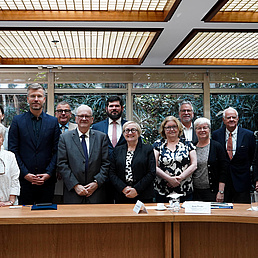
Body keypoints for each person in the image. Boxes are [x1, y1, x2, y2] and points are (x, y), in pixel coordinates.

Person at [8, 83, 60, 205]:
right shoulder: (17, 121)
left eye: (39, 96)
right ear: (27, 99)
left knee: (46, 218)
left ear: (44, 99)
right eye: (32, 96)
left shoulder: (53, 122)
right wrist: (25, 173)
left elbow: (57, 150)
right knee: (24, 218)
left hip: (47, 181)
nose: (36, 99)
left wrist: (48, 173)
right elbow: (13, 150)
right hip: (24, 181)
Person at [57, 105, 109, 204]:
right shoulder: (65, 138)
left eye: (87, 116)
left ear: (92, 119)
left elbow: (106, 163)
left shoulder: (101, 137)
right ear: (76, 119)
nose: (84, 119)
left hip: (96, 194)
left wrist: (96, 183)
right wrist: (75, 185)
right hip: (73, 194)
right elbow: (62, 164)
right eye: (81, 116)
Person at [212, 107, 256, 203]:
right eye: (228, 117)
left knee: (242, 213)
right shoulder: (216, 135)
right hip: (223, 183)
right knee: (223, 213)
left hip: (242, 182)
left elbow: (252, 157)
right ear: (223, 120)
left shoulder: (248, 135)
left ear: (238, 118)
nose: (231, 119)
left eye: (233, 117)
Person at [109, 121, 156, 204]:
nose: (130, 133)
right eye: (127, 130)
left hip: (143, 195)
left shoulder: (147, 149)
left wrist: (136, 190)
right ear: (123, 133)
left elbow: (151, 172)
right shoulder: (117, 150)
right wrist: (123, 188)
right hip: (122, 195)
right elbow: (112, 173)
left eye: (133, 130)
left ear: (139, 133)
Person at [153, 116, 197, 203]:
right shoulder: (158, 145)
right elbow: (154, 166)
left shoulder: (188, 144)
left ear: (179, 128)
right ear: (163, 130)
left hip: (184, 189)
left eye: (174, 126)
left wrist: (180, 178)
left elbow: (194, 165)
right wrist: (169, 179)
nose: (171, 129)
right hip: (163, 190)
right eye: (168, 127)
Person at [92, 96, 127, 203]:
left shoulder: (130, 127)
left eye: (117, 106)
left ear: (122, 108)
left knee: (123, 210)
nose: (114, 108)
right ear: (106, 108)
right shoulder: (96, 127)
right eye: (111, 106)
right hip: (103, 177)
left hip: (124, 177)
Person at [193, 118, 228, 202]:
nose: (202, 130)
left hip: (213, 192)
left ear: (209, 129)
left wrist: (221, 191)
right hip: (194, 192)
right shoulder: (192, 147)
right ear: (195, 130)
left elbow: (224, 170)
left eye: (205, 127)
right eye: (199, 128)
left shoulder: (217, 147)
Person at [54, 101, 77, 203]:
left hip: (74, 175)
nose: (63, 113)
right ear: (56, 114)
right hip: (53, 175)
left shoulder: (78, 129)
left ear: (70, 114)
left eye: (66, 111)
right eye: (60, 111)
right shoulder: (49, 127)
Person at [0, 124, 20, 206]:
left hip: (9, 204)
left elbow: (14, 180)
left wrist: (11, 201)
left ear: (3, 139)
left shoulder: (10, 156)